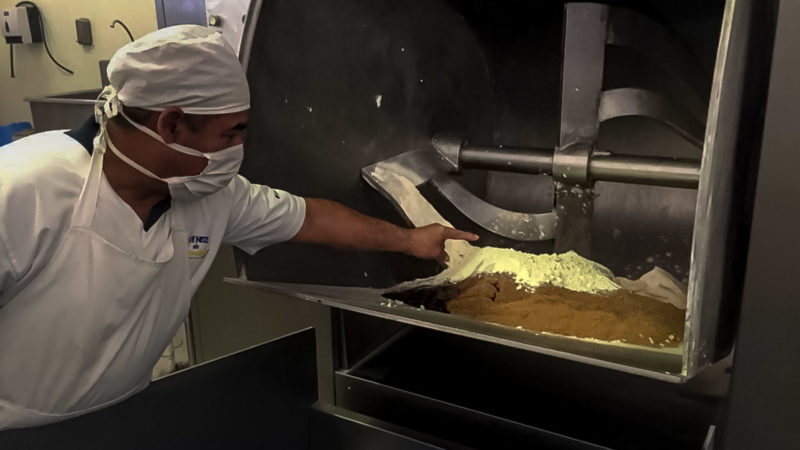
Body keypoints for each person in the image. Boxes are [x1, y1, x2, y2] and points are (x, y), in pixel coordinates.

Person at [0, 25, 477, 430]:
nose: (236, 151)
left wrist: (412, 239)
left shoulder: (207, 193)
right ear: (170, 125)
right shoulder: (24, 188)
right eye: (231, 133)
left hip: (128, 412)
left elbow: (313, 217)